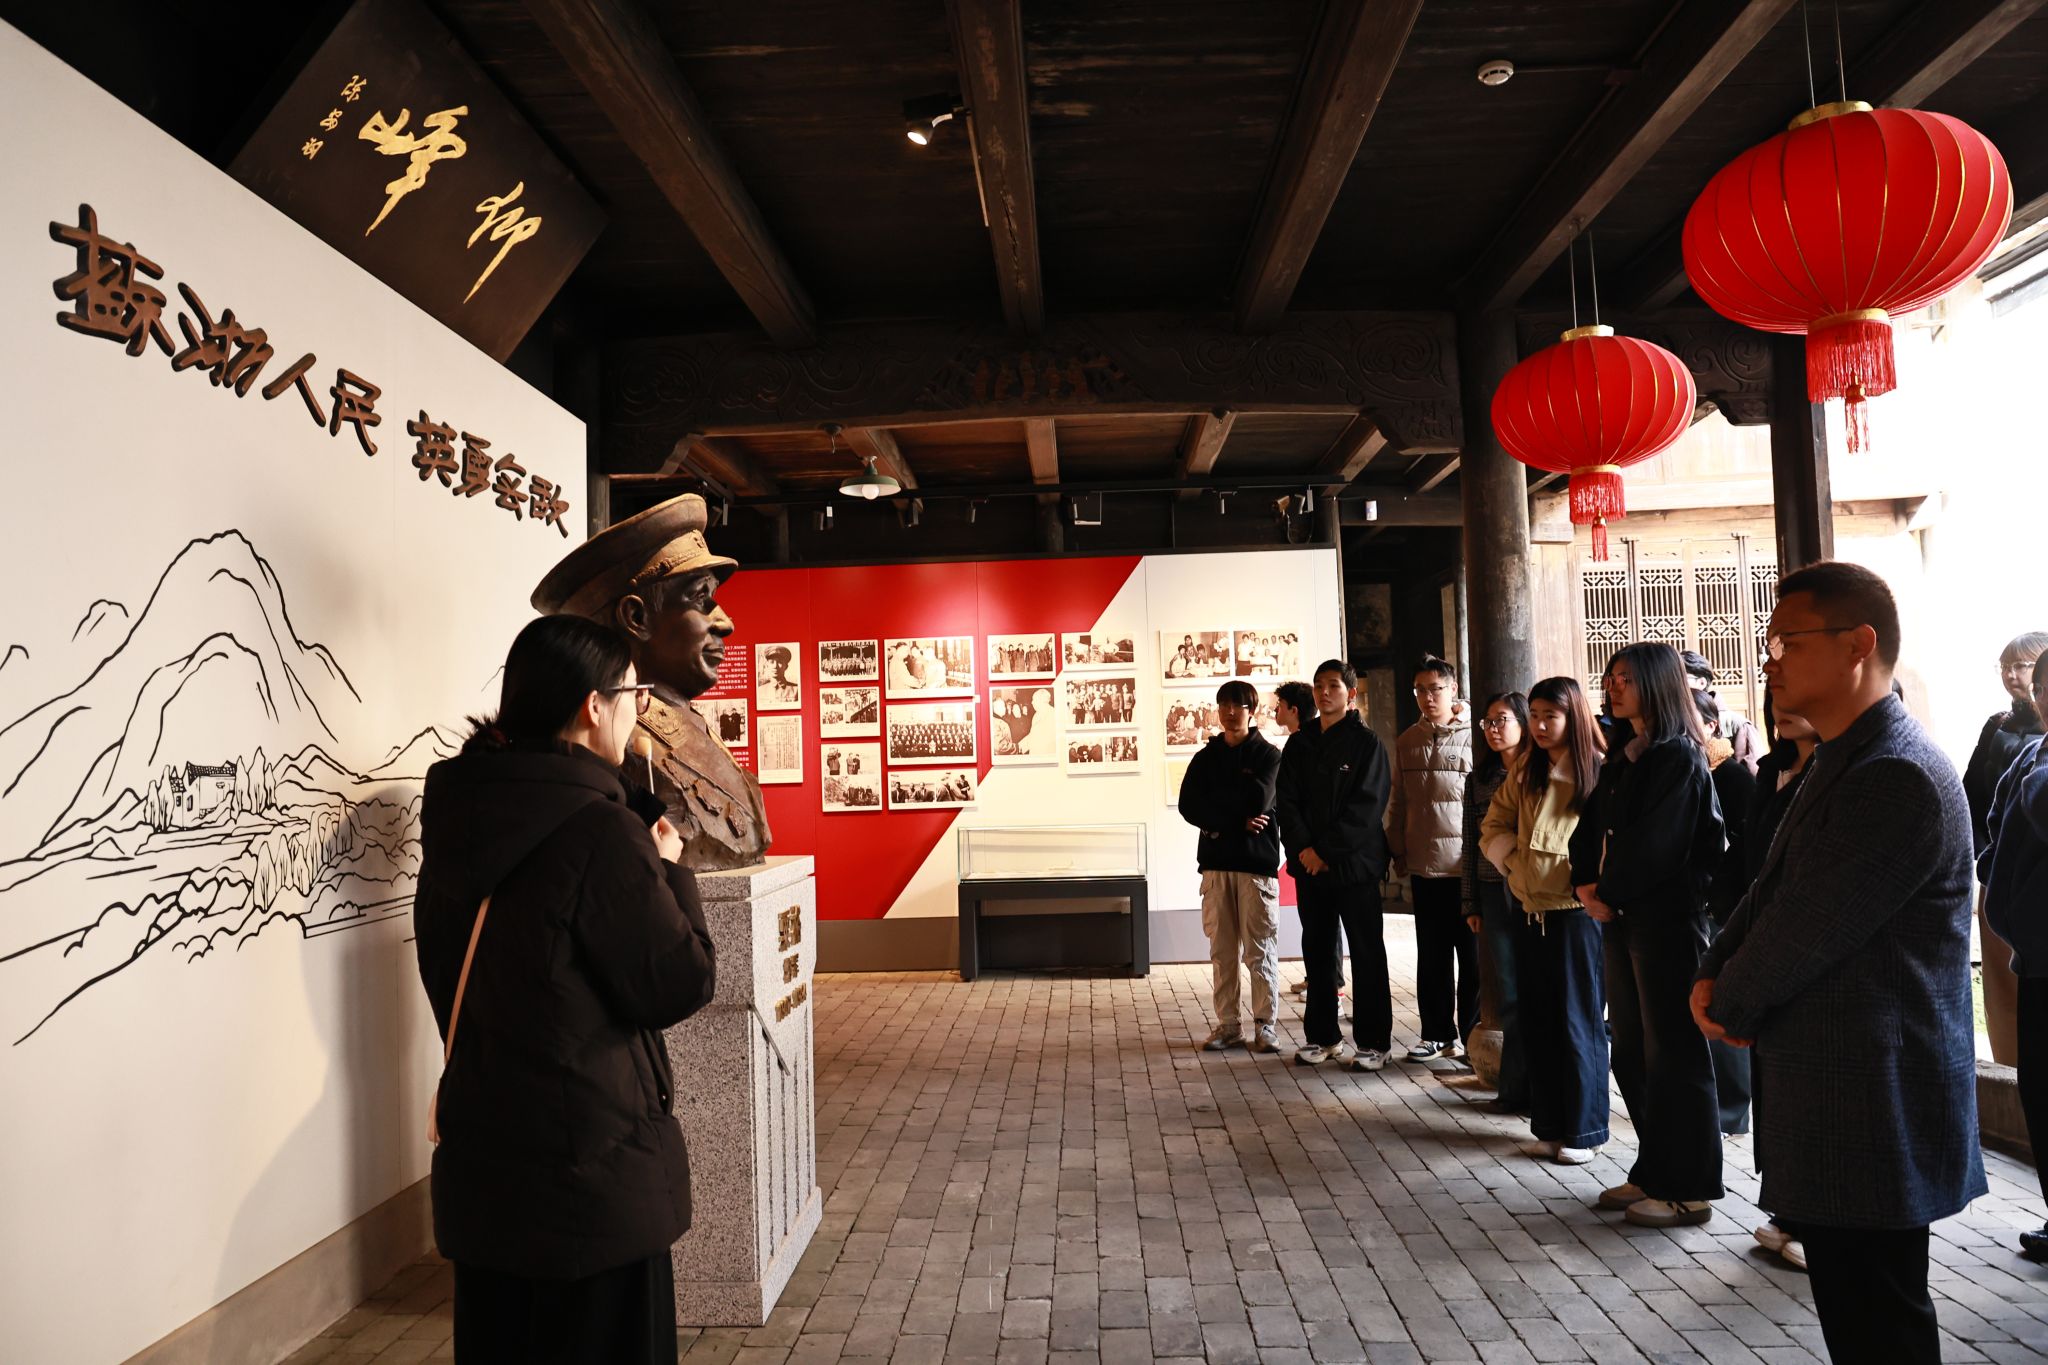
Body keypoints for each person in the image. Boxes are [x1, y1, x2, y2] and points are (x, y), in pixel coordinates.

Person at [1693, 561, 1984, 1365]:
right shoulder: (1842, 753)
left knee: (1880, 1321)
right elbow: (1772, 888)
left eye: (1787, 641)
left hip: (1872, 1090)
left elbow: (1808, 927)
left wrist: (1730, 997)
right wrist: (1714, 970)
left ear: (1858, 644)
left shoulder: (1896, 771)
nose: (1770, 660)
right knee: (1856, 1314)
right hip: (1837, 1082)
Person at [414, 615, 717, 1365]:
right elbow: (678, 981)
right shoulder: (600, 831)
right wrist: (669, 868)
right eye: (633, 696)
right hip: (591, 1182)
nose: (638, 712)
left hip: (488, 1178)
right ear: (592, 705)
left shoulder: (458, 819)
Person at [1570, 642, 1725, 1229]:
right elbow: (1589, 829)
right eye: (1611, 677)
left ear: (1657, 684)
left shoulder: (1678, 755)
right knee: (1633, 1051)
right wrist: (1584, 882)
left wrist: (1607, 891)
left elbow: (1660, 846)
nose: (1613, 687)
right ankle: (1654, 1167)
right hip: (1621, 916)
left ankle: (1688, 1187)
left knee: (1674, 1054)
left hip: (1664, 920)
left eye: (1627, 679)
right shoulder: (1625, 754)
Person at [531, 492, 769, 871]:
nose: (725, 623)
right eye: (700, 598)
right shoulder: (630, 746)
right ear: (637, 618)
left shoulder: (690, 725)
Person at [1483, 676, 1608, 1167]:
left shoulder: (1594, 768)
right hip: (1529, 910)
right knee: (1539, 1022)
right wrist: (1515, 865)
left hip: (1576, 915)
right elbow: (1494, 824)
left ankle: (1585, 1130)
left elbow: (1603, 838)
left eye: (1549, 716)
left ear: (1573, 716)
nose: (1538, 725)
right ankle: (1551, 1125)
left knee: (1578, 1023)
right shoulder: (1525, 770)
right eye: (1533, 715)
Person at [1277, 660, 1393, 1070]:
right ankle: (1323, 1037)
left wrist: (1324, 851)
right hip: (1310, 868)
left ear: (1350, 693)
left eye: (1333, 686)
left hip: (1354, 866)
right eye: (1319, 686)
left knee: (1366, 952)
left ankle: (1374, 1042)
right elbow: (1286, 802)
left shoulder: (1367, 744)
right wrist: (1305, 850)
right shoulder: (1300, 744)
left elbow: (1367, 807)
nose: (1324, 693)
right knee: (1318, 951)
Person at [1980, 653, 2048, 1262]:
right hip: (2033, 952)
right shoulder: (2027, 752)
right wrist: (1991, 869)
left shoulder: (2038, 762)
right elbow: (1996, 819)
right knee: (2038, 1088)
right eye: (2044, 687)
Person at [1180, 680, 1285, 1054]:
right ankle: (1228, 1025)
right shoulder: (1205, 758)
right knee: (1222, 952)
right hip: (1215, 865)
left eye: (1237, 706)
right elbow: (1189, 805)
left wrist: (1216, 814)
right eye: (1223, 704)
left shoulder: (1268, 756)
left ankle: (1265, 1025)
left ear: (1251, 711)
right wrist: (1237, 821)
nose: (1228, 712)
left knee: (1260, 949)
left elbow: (1259, 797)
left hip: (1255, 867)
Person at [1387, 655, 1475, 1061]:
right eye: (1420, 690)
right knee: (1432, 955)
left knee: (1472, 957)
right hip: (1424, 865)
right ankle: (1437, 1034)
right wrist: (1397, 847)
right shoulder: (1408, 740)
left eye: (1435, 689)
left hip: (1465, 866)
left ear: (1452, 689)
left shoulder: (1476, 736)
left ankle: (1473, 1037)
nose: (1427, 697)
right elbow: (1399, 800)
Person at [1967, 631, 2048, 1065]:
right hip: (2000, 877)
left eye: (2021, 666)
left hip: (2035, 888)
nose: (2012, 675)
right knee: (2003, 994)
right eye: (2005, 666)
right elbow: (1973, 796)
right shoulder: (1997, 726)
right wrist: (1988, 862)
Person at [1461, 691, 1529, 1110]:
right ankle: (1514, 1089)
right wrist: (1470, 902)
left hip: (1534, 889)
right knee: (1510, 992)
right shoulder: (1479, 779)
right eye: (1487, 722)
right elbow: (1470, 843)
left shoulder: (1539, 771)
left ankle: (1537, 1088)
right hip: (1492, 890)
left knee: (1536, 988)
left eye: (1502, 720)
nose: (1493, 729)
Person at [1273, 681, 1343, 1000]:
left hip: (1325, 854)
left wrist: (1315, 849)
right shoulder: (1297, 744)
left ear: (1293, 710)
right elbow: (1288, 803)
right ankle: (1318, 978)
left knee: (1325, 922)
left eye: (1279, 706)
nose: (1275, 711)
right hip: (1305, 852)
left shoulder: (1311, 744)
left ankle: (1333, 984)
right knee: (1314, 924)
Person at [1680, 649, 1762, 775]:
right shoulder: (1673, 719)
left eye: (1681, 679)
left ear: (1701, 682)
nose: (1675, 685)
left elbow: (1753, 775)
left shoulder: (1738, 725)